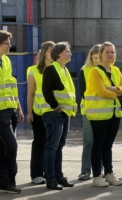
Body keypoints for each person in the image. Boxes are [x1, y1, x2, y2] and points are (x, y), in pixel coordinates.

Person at [84, 41, 122, 187]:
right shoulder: (95, 72)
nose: (110, 54)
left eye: (112, 52)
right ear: (101, 54)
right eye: (107, 52)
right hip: (99, 115)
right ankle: (97, 176)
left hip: (114, 114)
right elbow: (101, 91)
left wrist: (113, 88)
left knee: (108, 145)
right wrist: (117, 92)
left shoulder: (115, 70)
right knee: (98, 144)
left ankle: (109, 174)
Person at [42, 42, 77, 190]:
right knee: (52, 146)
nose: (70, 53)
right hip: (54, 114)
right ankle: (50, 179)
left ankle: (58, 176)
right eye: (67, 51)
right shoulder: (51, 69)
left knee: (59, 146)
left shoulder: (64, 70)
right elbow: (47, 91)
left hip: (64, 114)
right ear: (59, 54)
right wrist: (56, 107)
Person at [27, 41, 55, 185]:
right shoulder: (33, 70)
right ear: (44, 52)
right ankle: (36, 174)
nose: (53, 53)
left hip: (55, 112)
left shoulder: (59, 69)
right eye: (51, 51)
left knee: (52, 144)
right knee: (39, 143)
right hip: (39, 113)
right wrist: (29, 112)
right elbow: (30, 93)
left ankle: (50, 173)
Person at [0, 30, 24, 194]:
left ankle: (4, 181)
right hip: (0, 113)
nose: (10, 45)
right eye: (7, 42)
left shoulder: (7, 60)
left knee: (3, 147)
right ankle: (8, 178)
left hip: (10, 109)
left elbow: (12, 86)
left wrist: (18, 108)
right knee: (11, 146)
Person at [78, 44, 102, 180]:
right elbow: (82, 92)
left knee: (102, 142)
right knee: (89, 141)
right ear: (91, 57)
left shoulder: (107, 70)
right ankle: (85, 170)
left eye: (100, 57)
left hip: (105, 111)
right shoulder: (85, 70)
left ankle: (101, 169)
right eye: (95, 58)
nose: (98, 60)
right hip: (89, 111)